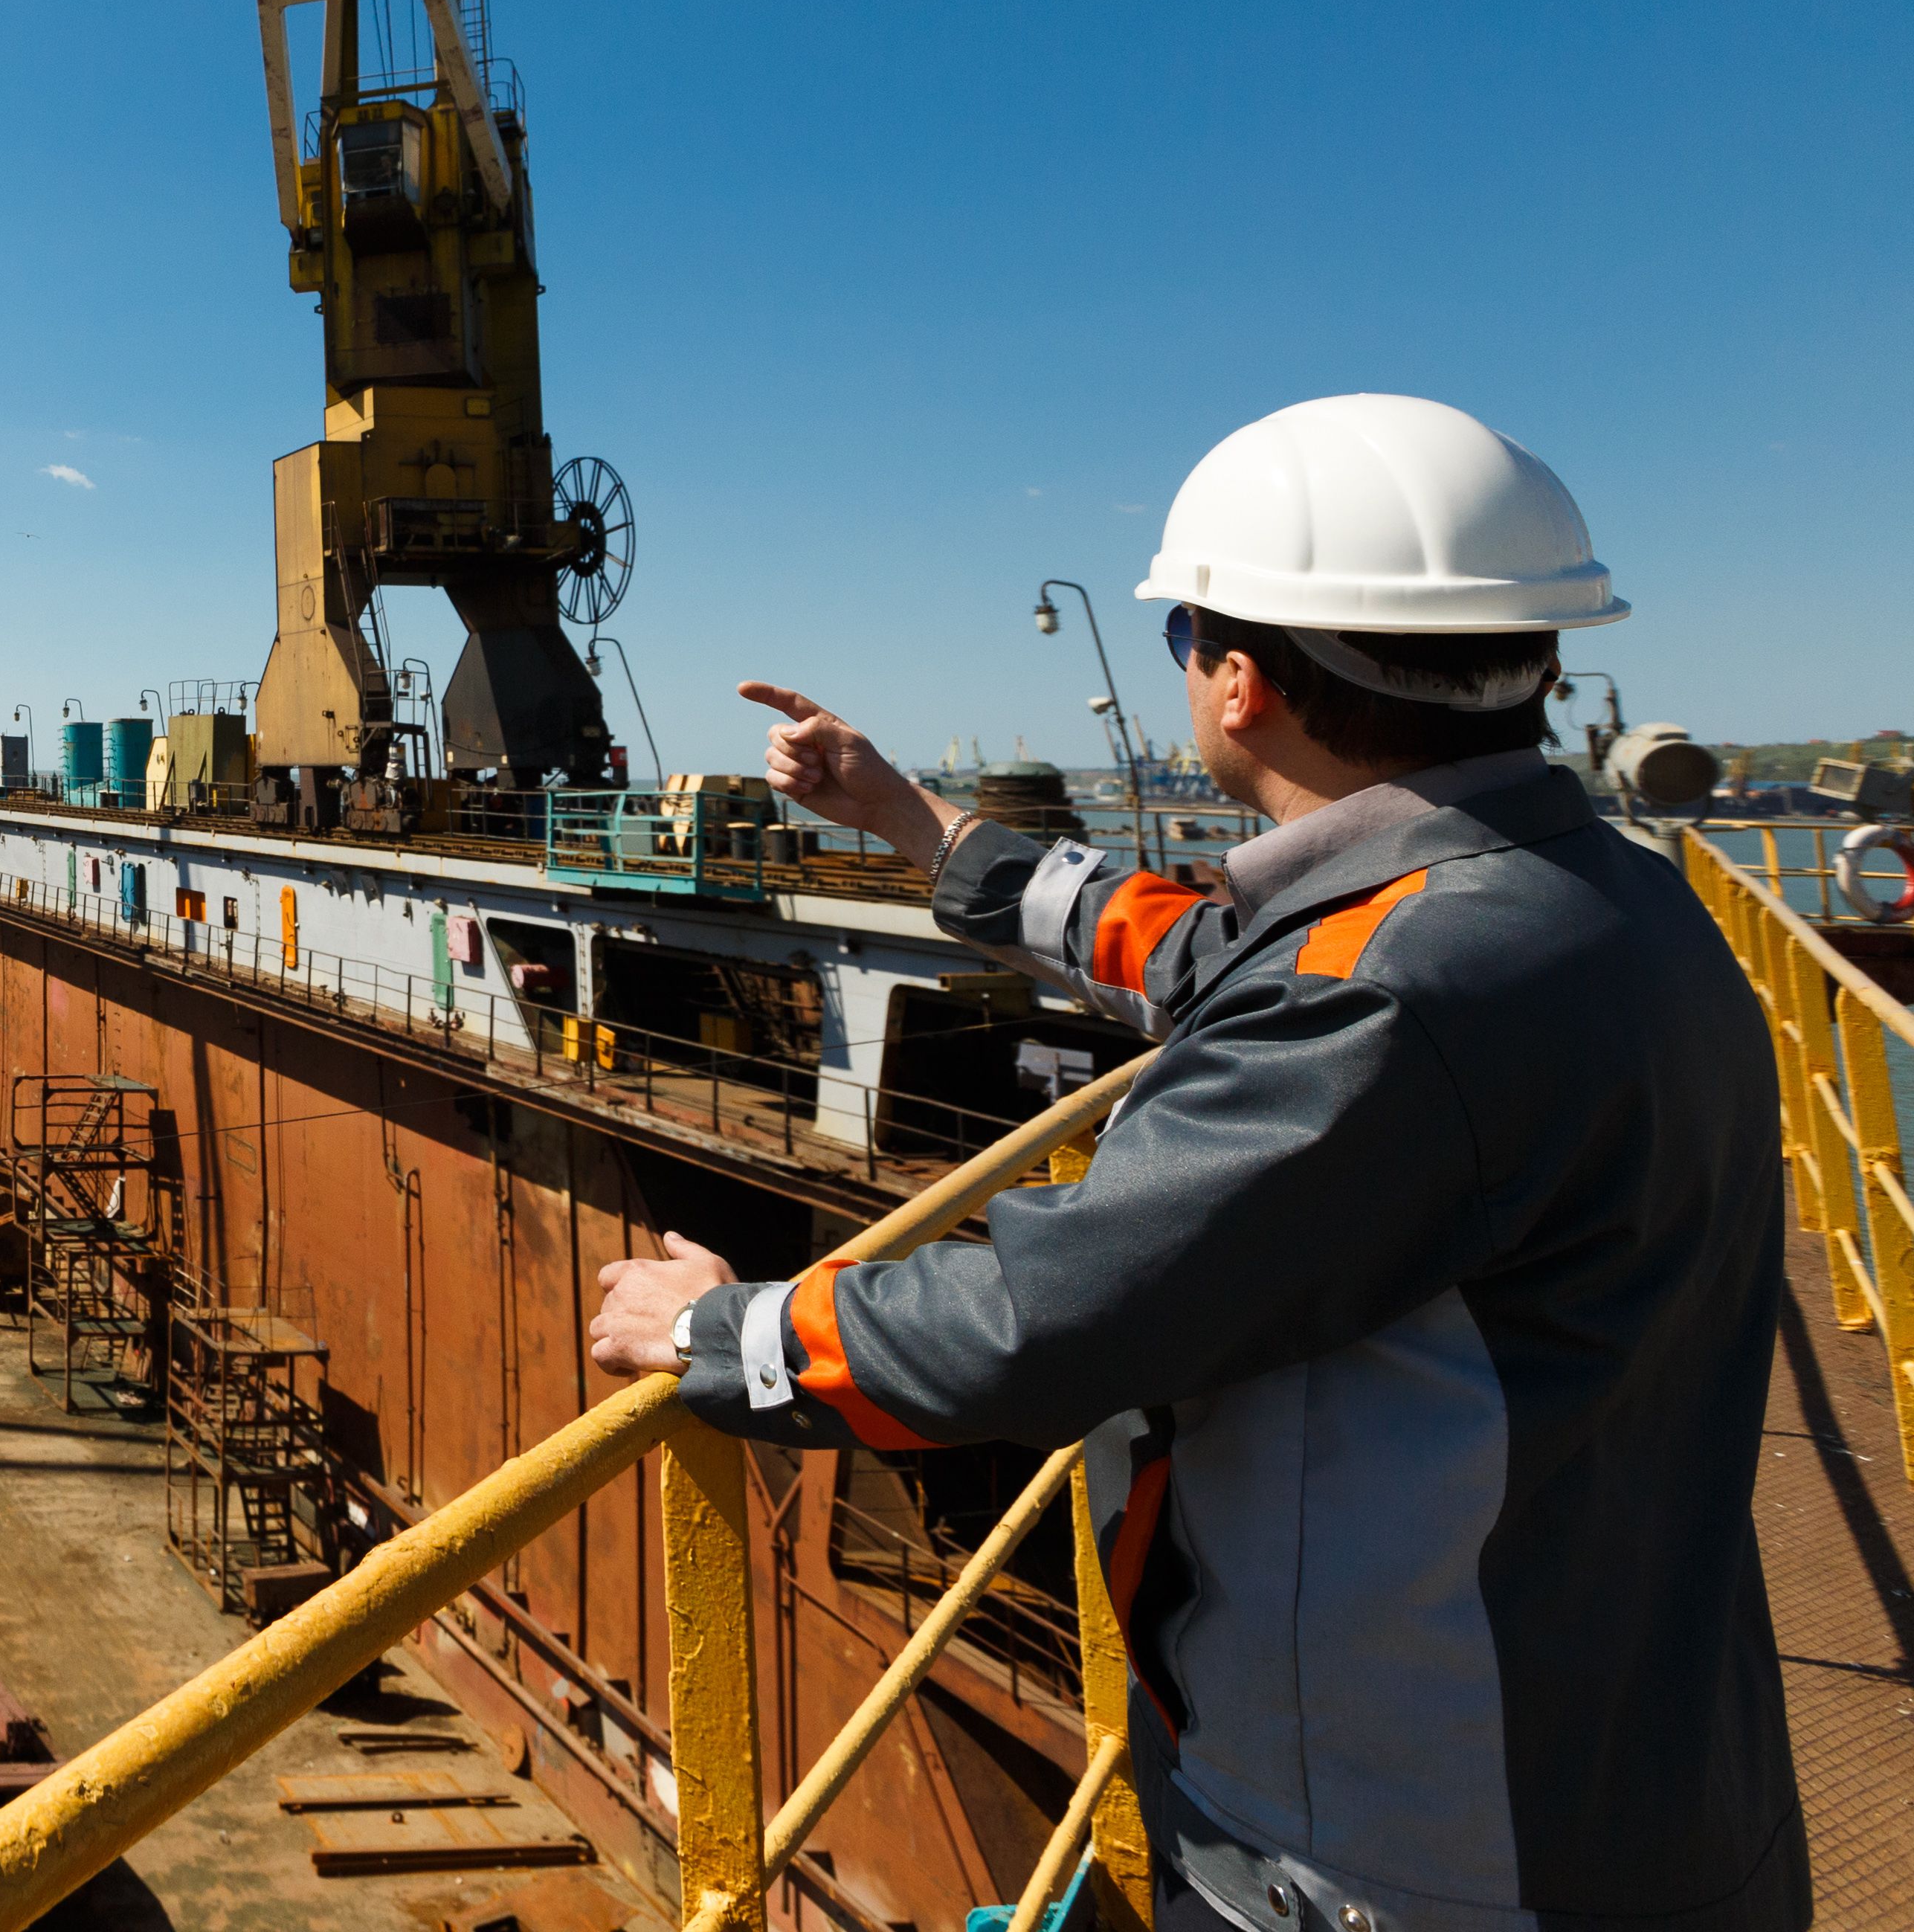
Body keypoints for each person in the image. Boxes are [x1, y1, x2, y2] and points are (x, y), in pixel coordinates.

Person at [587, 394, 1802, 1932]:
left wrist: (725, 1332)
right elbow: (1207, 951)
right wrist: (905, 816)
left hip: (1409, 1862)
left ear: (1237, 682)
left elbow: (1052, 1317)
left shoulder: (1385, 999)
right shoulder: (1603, 902)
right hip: (1650, 1784)